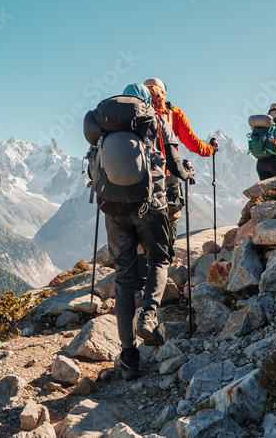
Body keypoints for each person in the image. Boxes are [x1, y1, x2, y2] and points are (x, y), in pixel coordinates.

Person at [101, 83, 171, 380]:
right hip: (149, 205)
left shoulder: (106, 128)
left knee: (124, 278)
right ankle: (150, 315)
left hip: (114, 209)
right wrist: (185, 173)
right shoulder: (154, 119)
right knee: (159, 259)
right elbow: (175, 164)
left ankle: (129, 356)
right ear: (144, 102)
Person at [143, 78, 218, 247]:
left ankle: (143, 255)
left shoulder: (135, 113)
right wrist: (210, 149)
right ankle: (166, 254)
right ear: (163, 92)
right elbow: (192, 143)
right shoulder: (174, 113)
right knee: (172, 212)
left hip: (139, 173)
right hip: (167, 172)